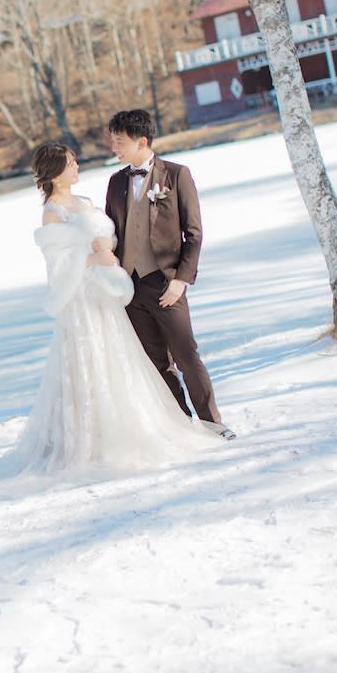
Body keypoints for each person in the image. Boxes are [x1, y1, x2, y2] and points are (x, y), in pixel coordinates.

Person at [5, 141, 222, 477]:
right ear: (55, 173)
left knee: (123, 359)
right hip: (83, 300)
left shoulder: (85, 202)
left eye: (75, 161)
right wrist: (93, 258)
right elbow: (58, 268)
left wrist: (108, 247)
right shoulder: (52, 212)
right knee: (92, 361)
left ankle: (184, 423)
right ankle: (95, 440)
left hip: (108, 296)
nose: (77, 166)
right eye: (70, 163)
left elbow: (112, 237)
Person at [104, 109, 235, 441]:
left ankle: (213, 424)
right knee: (156, 363)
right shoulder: (116, 182)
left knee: (187, 356)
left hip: (166, 284)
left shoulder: (177, 175)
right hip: (129, 289)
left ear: (141, 141)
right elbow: (112, 234)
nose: (114, 148)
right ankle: (182, 424)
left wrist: (180, 280)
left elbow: (194, 233)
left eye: (119, 142)